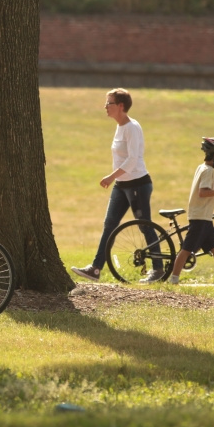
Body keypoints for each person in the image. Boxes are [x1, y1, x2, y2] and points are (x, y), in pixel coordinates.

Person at [71, 88, 163, 284]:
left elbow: (132, 160)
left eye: (109, 103)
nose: (105, 106)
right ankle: (95, 269)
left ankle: (158, 269)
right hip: (122, 185)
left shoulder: (132, 127)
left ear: (121, 106)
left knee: (144, 225)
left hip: (138, 184)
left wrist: (111, 176)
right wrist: (116, 179)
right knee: (109, 225)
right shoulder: (120, 126)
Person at [165, 138, 214, 286]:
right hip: (200, 217)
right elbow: (203, 192)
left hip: (204, 218)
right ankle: (173, 280)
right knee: (186, 250)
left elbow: (204, 185)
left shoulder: (203, 168)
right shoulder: (209, 171)